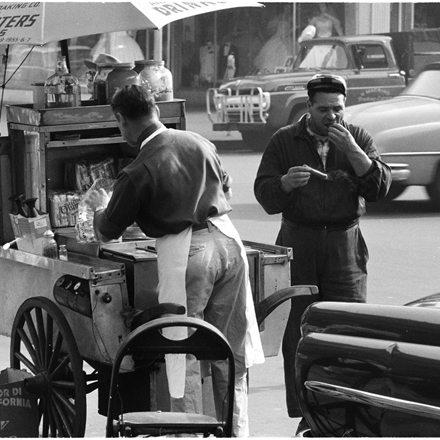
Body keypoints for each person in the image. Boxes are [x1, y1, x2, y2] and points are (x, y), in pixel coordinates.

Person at [85, 84, 264, 437]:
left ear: (122, 120)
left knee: (184, 350)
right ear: (155, 109)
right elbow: (223, 187)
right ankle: (235, 431)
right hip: (228, 243)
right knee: (229, 348)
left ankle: (188, 434)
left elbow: (107, 231)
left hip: (190, 255)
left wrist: (97, 208)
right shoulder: (199, 142)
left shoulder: (139, 170)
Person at [253, 74, 392, 434]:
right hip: (299, 243)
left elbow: (380, 186)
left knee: (350, 328)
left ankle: (351, 410)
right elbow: (264, 195)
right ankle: (306, 415)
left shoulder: (357, 137)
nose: (332, 117)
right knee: (299, 333)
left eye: (338, 109)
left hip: (345, 247)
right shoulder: (285, 140)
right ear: (309, 107)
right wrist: (283, 183)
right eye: (324, 109)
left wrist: (354, 152)